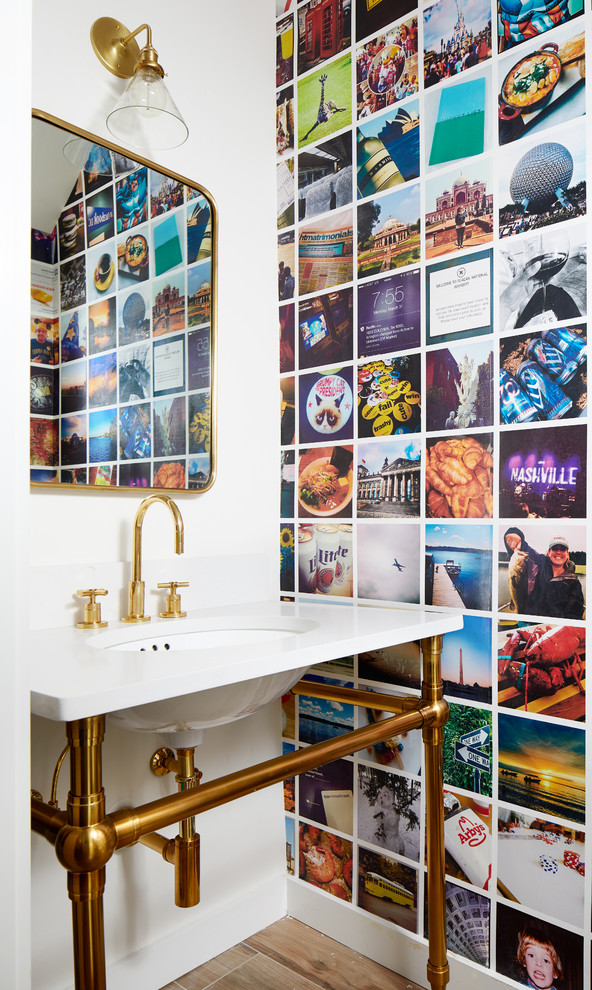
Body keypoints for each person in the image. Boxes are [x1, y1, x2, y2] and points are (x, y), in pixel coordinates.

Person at [503, 528, 584, 620]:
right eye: (555, 548)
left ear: (567, 554)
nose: (558, 552)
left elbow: (576, 613)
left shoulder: (574, 583)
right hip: (527, 620)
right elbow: (523, 547)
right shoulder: (539, 563)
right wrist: (515, 534)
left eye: (562, 549)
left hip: (552, 626)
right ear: (549, 552)